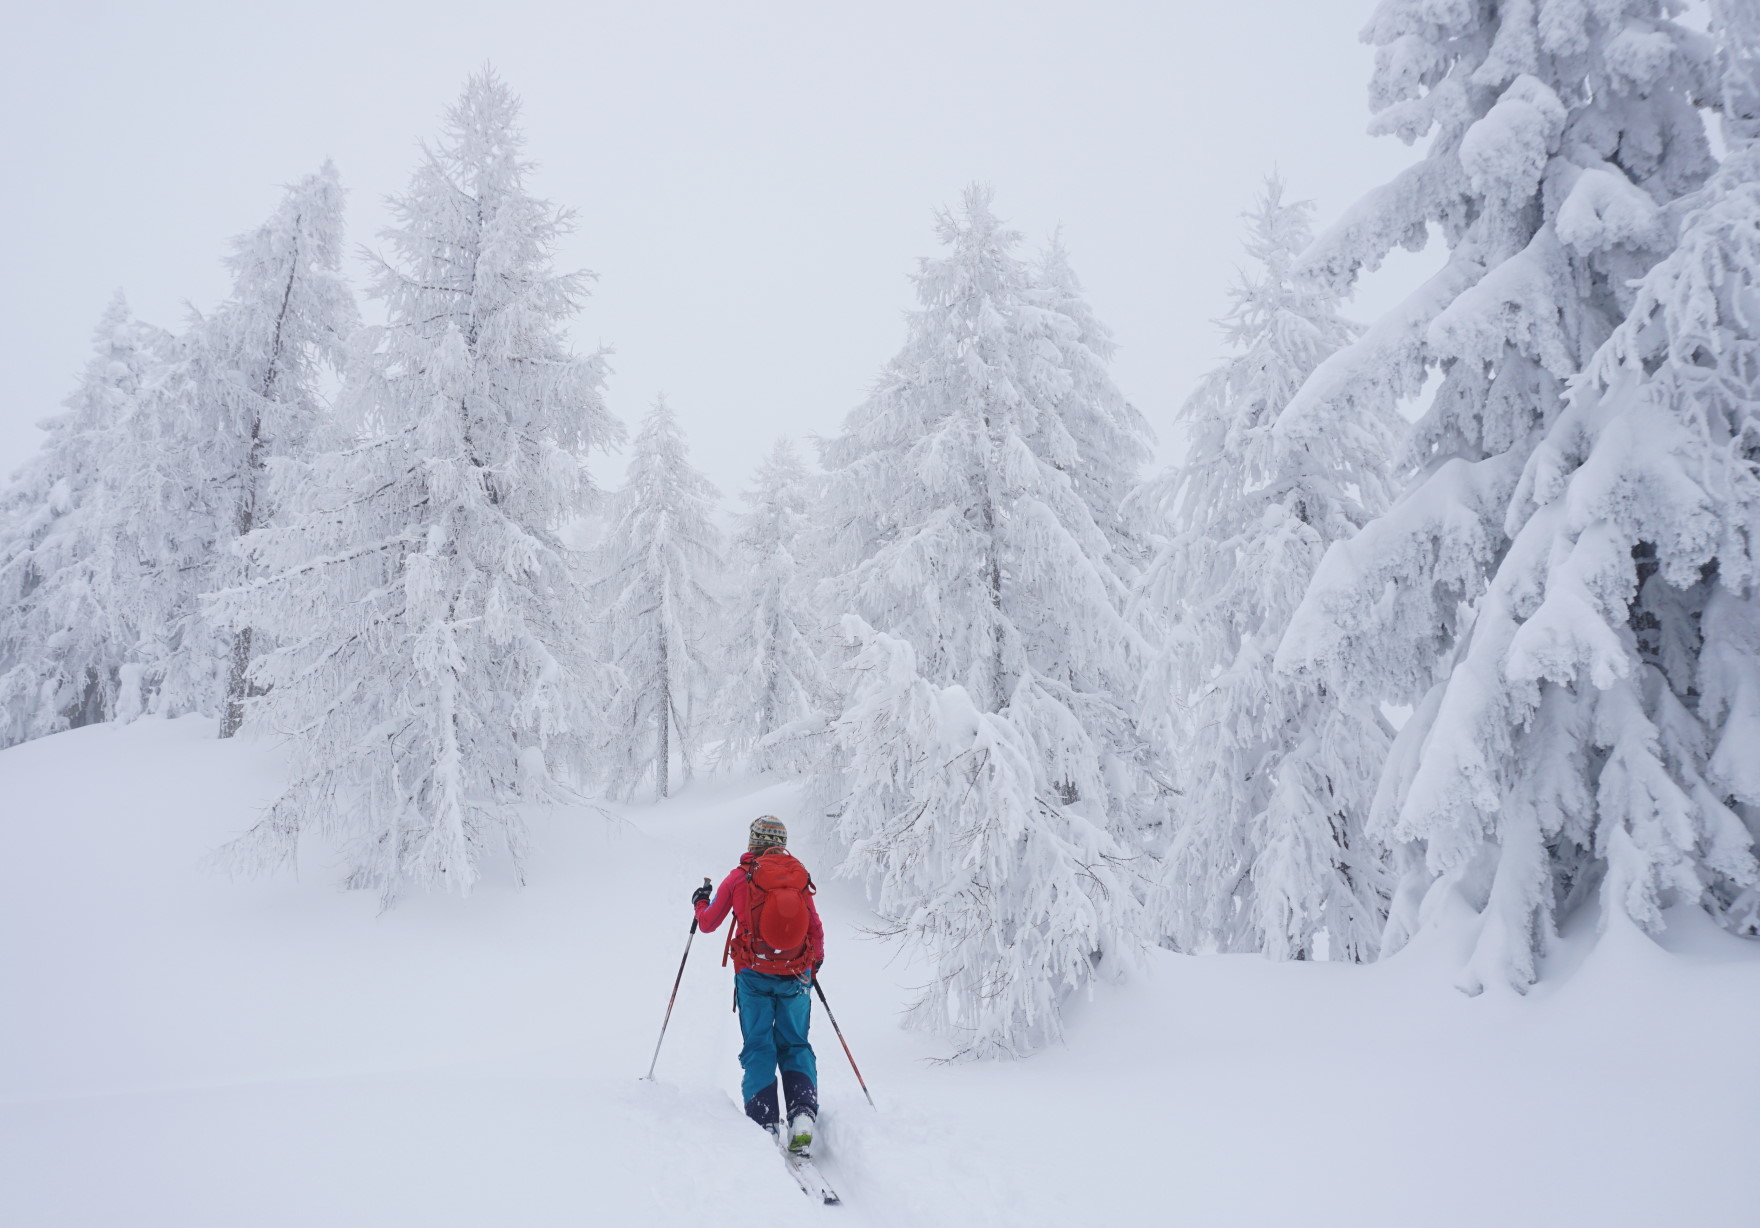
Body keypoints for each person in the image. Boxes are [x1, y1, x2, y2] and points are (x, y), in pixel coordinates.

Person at [692, 815, 825, 1153]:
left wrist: (700, 901)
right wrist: (815, 962)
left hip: (753, 974)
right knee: (795, 1043)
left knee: (758, 1045)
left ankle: (765, 1121)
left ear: (753, 842)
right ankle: (802, 1115)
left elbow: (707, 924)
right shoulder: (797, 875)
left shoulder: (740, 877)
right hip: (796, 974)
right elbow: (814, 926)